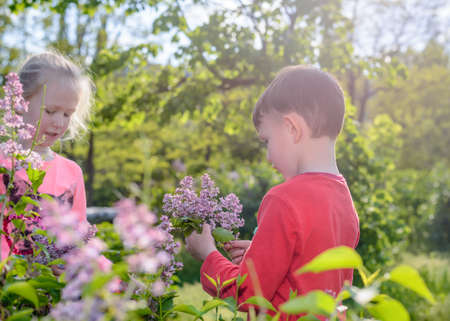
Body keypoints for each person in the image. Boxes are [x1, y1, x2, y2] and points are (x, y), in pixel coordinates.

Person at [185, 65, 360, 320]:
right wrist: (258, 254)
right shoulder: (343, 199)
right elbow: (306, 271)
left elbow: (247, 292)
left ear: (291, 128)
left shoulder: (283, 199)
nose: (268, 156)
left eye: (267, 141)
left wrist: (208, 253)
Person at [0, 51, 97, 273]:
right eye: (50, 111)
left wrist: (119, 281)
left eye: (67, 114)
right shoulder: (4, 164)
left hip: (55, 295)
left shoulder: (72, 173)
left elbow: (79, 239)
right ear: (20, 102)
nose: (58, 122)